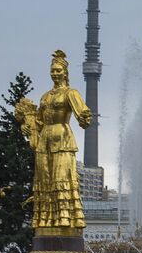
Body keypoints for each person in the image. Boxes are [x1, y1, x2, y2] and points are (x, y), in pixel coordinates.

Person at [25, 51, 92, 234]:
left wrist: (85, 117)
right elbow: (38, 121)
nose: (54, 73)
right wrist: (29, 126)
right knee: (45, 180)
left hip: (62, 137)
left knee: (61, 178)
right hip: (45, 139)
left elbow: (83, 114)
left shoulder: (71, 93)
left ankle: (65, 218)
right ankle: (46, 220)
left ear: (65, 73)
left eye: (58, 70)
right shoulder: (45, 96)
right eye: (52, 70)